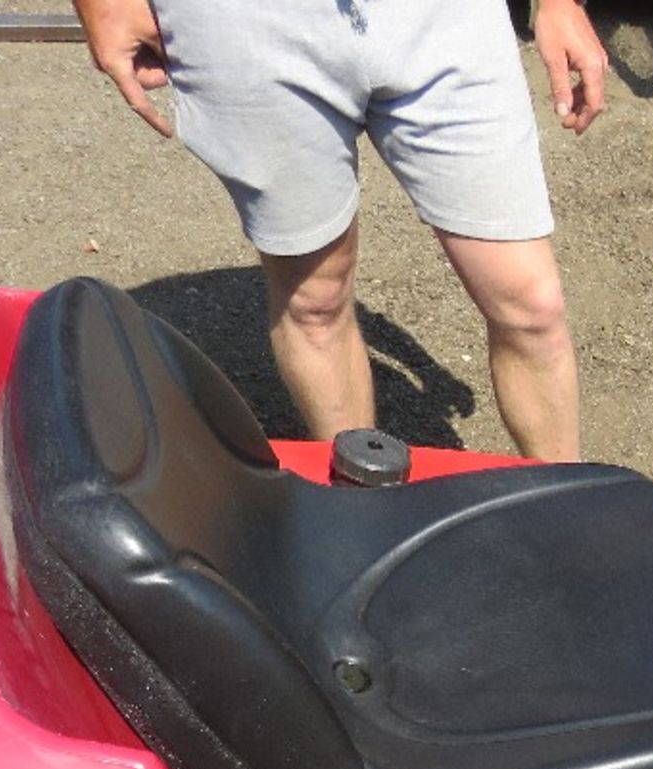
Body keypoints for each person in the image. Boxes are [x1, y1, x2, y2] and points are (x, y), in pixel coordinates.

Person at [71, 0, 607, 462]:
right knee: (315, 302)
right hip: (246, 26)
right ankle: (364, 507)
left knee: (529, 303)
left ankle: (570, 527)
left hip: (438, 17)